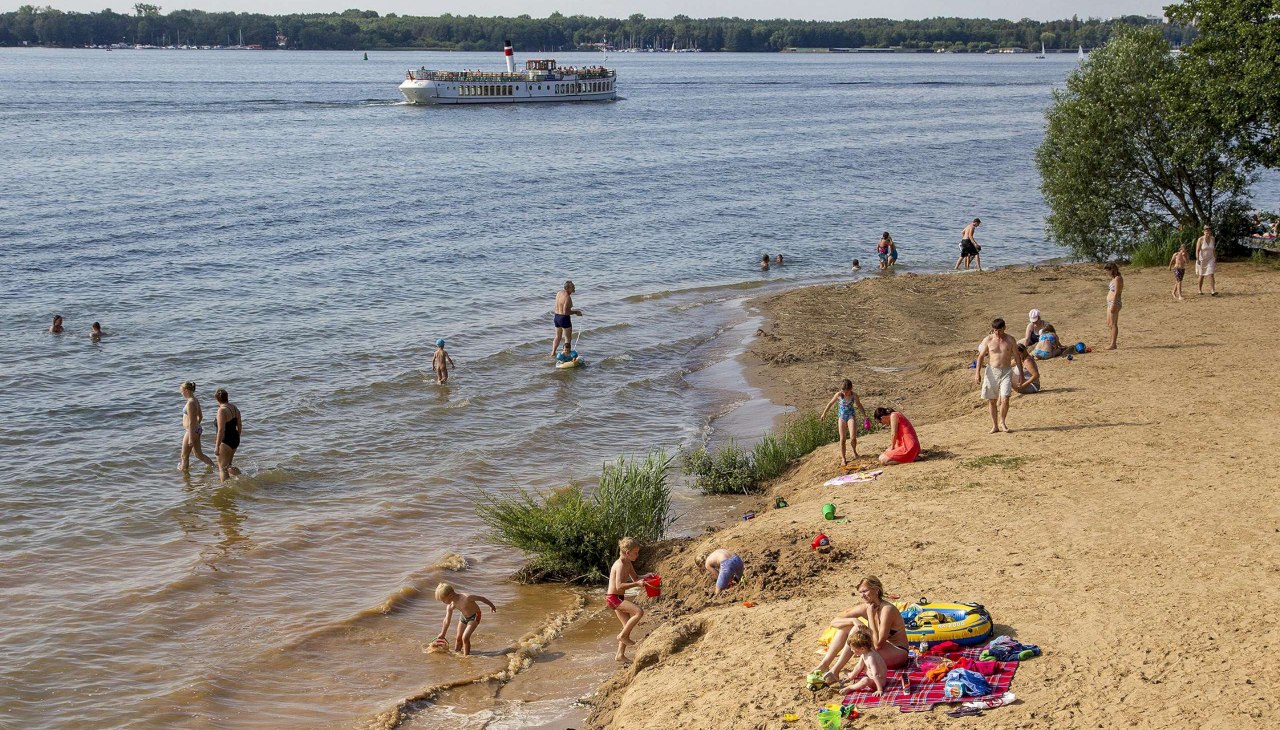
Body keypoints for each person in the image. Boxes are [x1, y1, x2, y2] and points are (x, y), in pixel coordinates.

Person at [812, 576, 910, 685]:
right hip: (880, 652)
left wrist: (870, 615)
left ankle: (835, 670)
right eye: (860, 592)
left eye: (865, 591)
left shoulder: (887, 609)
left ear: (877, 590)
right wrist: (853, 620)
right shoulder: (866, 607)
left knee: (858, 631)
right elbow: (834, 622)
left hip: (898, 653)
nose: (862, 595)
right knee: (847, 627)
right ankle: (824, 664)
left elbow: (878, 645)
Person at [607, 537, 646, 663]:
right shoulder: (619, 565)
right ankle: (622, 636)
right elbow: (619, 586)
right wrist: (637, 584)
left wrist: (647, 576)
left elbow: (636, 578)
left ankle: (620, 654)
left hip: (619, 597)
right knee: (638, 612)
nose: (637, 555)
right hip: (613, 598)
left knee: (626, 625)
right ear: (627, 553)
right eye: (636, 553)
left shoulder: (628, 563)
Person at [976, 318, 1017, 433]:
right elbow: (981, 356)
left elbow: (1017, 357)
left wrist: (1022, 374)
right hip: (992, 371)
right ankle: (995, 425)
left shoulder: (1010, 339)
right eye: (995, 330)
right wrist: (977, 373)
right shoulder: (988, 339)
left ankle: (1002, 422)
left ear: (1004, 328)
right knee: (992, 400)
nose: (997, 333)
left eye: (999, 330)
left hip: (1006, 370)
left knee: (1005, 398)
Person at [433, 582, 497, 656]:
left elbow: (482, 598)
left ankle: (466, 657)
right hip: (464, 616)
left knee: (465, 637)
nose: (443, 602)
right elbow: (447, 620)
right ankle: (457, 652)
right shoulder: (450, 606)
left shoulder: (466, 597)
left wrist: (492, 606)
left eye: (443, 600)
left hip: (474, 615)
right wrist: (443, 633)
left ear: (450, 596)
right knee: (458, 638)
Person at [819, 379, 870, 466]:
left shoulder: (854, 395)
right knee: (842, 439)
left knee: (853, 437)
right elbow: (830, 403)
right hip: (842, 417)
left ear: (851, 389)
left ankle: (854, 451)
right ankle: (843, 458)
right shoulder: (839, 395)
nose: (845, 393)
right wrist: (824, 413)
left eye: (847, 391)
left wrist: (865, 415)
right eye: (843, 391)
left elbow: (859, 405)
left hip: (851, 416)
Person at [178, 381, 216, 472]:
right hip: (196, 429)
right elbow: (200, 416)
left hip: (191, 431)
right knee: (198, 454)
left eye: (182, 391)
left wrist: (191, 437)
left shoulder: (190, 403)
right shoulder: (195, 400)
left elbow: (191, 421)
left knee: (184, 456)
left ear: (186, 390)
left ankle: (185, 476)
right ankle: (213, 467)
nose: (181, 394)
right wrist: (197, 426)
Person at [840, 629, 887, 696]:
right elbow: (858, 667)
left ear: (862, 648)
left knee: (865, 680)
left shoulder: (871, 658)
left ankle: (851, 688)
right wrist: (851, 677)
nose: (851, 650)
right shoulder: (865, 653)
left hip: (880, 682)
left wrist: (879, 689)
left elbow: (876, 674)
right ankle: (850, 675)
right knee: (863, 669)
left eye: (853, 648)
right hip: (876, 679)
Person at [213, 388, 242, 482]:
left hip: (225, 441)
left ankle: (225, 488)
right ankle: (242, 478)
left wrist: (217, 446)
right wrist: (237, 437)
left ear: (217, 399)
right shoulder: (234, 408)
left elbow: (221, 430)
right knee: (228, 465)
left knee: (222, 468)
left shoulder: (221, 410)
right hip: (235, 439)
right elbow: (239, 425)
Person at [551, 281, 583, 356]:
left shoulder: (559, 293)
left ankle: (553, 352)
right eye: (572, 287)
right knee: (568, 338)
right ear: (567, 288)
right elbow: (566, 312)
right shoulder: (568, 298)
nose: (574, 287)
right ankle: (566, 355)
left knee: (557, 336)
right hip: (564, 318)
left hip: (557, 317)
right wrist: (576, 312)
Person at [1105, 262, 1123, 350]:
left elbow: (1117, 293)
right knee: (1109, 323)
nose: (1106, 273)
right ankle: (1112, 342)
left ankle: (1113, 344)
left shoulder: (1118, 278)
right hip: (1110, 302)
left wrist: (1114, 304)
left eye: (1107, 271)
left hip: (1114, 302)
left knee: (1113, 324)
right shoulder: (1115, 278)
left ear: (1112, 270)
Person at [1195, 225, 1217, 296]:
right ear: (1203, 232)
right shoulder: (1200, 239)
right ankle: (1199, 290)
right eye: (1206, 231)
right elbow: (1197, 250)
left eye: (1209, 231)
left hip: (1211, 258)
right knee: (1201, 275)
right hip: (1202, 259)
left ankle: (1213, 290)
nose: (1207, 232)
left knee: (1211, 274)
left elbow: (1213, 249)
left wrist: (1215, 258)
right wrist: (1198, 259)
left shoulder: (1213, 238)